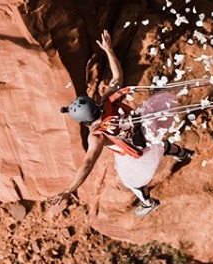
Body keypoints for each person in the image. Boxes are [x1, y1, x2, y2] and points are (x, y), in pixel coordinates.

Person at [53, 30, 194, 217]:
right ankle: (184, 154)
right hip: (147, 126)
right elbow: (117, 78)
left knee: (133, 182)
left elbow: (87, 164)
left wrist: (68, 189)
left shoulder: (97, 135)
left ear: (84, 121)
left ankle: (148, 202)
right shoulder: (106, 101)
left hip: (139, 152)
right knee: (157, 143)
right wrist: (109, 50)